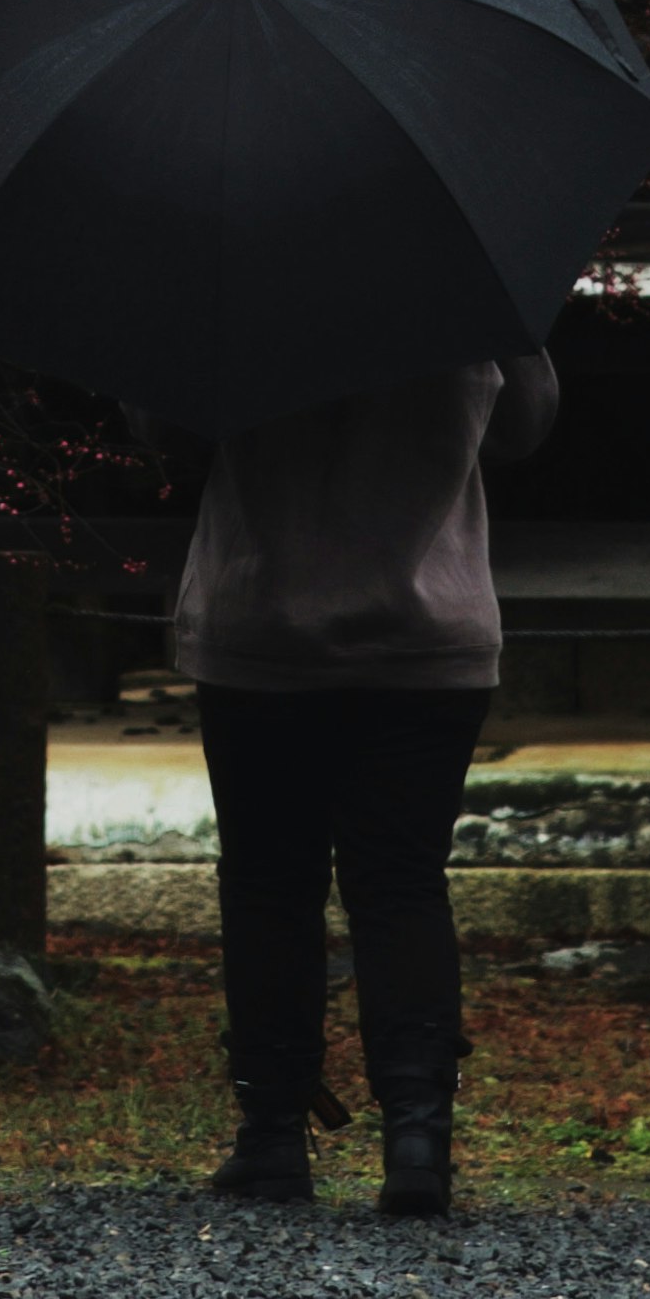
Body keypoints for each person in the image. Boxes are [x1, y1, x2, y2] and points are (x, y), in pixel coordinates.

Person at [173, 343, 560, 1219]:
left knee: (270, 882)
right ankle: (418, 1135)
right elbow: (522, 429)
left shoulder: (236, 280)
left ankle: (272, 1134)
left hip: (260, 628)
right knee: (402, 882)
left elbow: (163, 423)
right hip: (429, 636)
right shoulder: (467, 278)